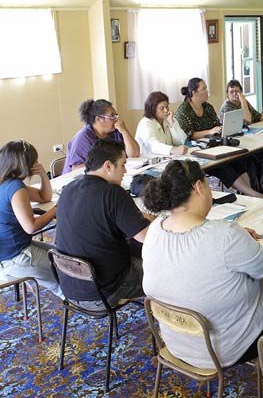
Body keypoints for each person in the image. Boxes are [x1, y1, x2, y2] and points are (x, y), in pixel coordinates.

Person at [141, 159, 263, 368]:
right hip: (225, 348)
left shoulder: (155, 229)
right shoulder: (225, 235)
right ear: (199, 187)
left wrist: (240, 240)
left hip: (177, 343)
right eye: (208, 184)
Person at [56, 139, 150, 307]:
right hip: (104, 291)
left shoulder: (67, 190)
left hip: (69, 288)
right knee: (164, 267)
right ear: (108, 166)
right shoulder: (114, 193)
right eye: (122, 165)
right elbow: (146, 237)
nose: (125, 170)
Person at [175, 77, 263, 198]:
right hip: (195, 151)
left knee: (237, 160)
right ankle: (253, 194)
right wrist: (210, 131)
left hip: (213, 145)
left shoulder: (207, 107)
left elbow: (216, 125)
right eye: (204, 89)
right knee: (224, 166)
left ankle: (249, 194)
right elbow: (188, 135)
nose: (207, 91)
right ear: (194, 93)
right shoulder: (183, 110)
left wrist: (220, 129)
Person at [0, 140, 62, 297]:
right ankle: (80, 302)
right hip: (17, 257)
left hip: (13, 252)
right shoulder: (15, 188)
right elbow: (31, 227)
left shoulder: (8, 183)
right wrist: (55, 210)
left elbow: (44, 196)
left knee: (65, 256)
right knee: (68, 270)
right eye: (34, 160)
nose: (37, 162)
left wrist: (42, 174)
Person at [63, 98, 140, 174]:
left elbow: (134, 154)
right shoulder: (83, 138)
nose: (116, 119)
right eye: (112, 116)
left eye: (116, 115)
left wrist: (124, 131)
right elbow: (76, 169)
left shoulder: (115, 130)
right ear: (98, 119)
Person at [135, 91, 188, 157]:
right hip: (149, 161)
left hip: (166, 159)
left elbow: (181, 140)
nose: (166, 110)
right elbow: (153, 145)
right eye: (162, 108)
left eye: (167, 106)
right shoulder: (146, 123)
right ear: (153, 109)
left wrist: (172, 123)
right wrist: (173, 149)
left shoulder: (168, 118)